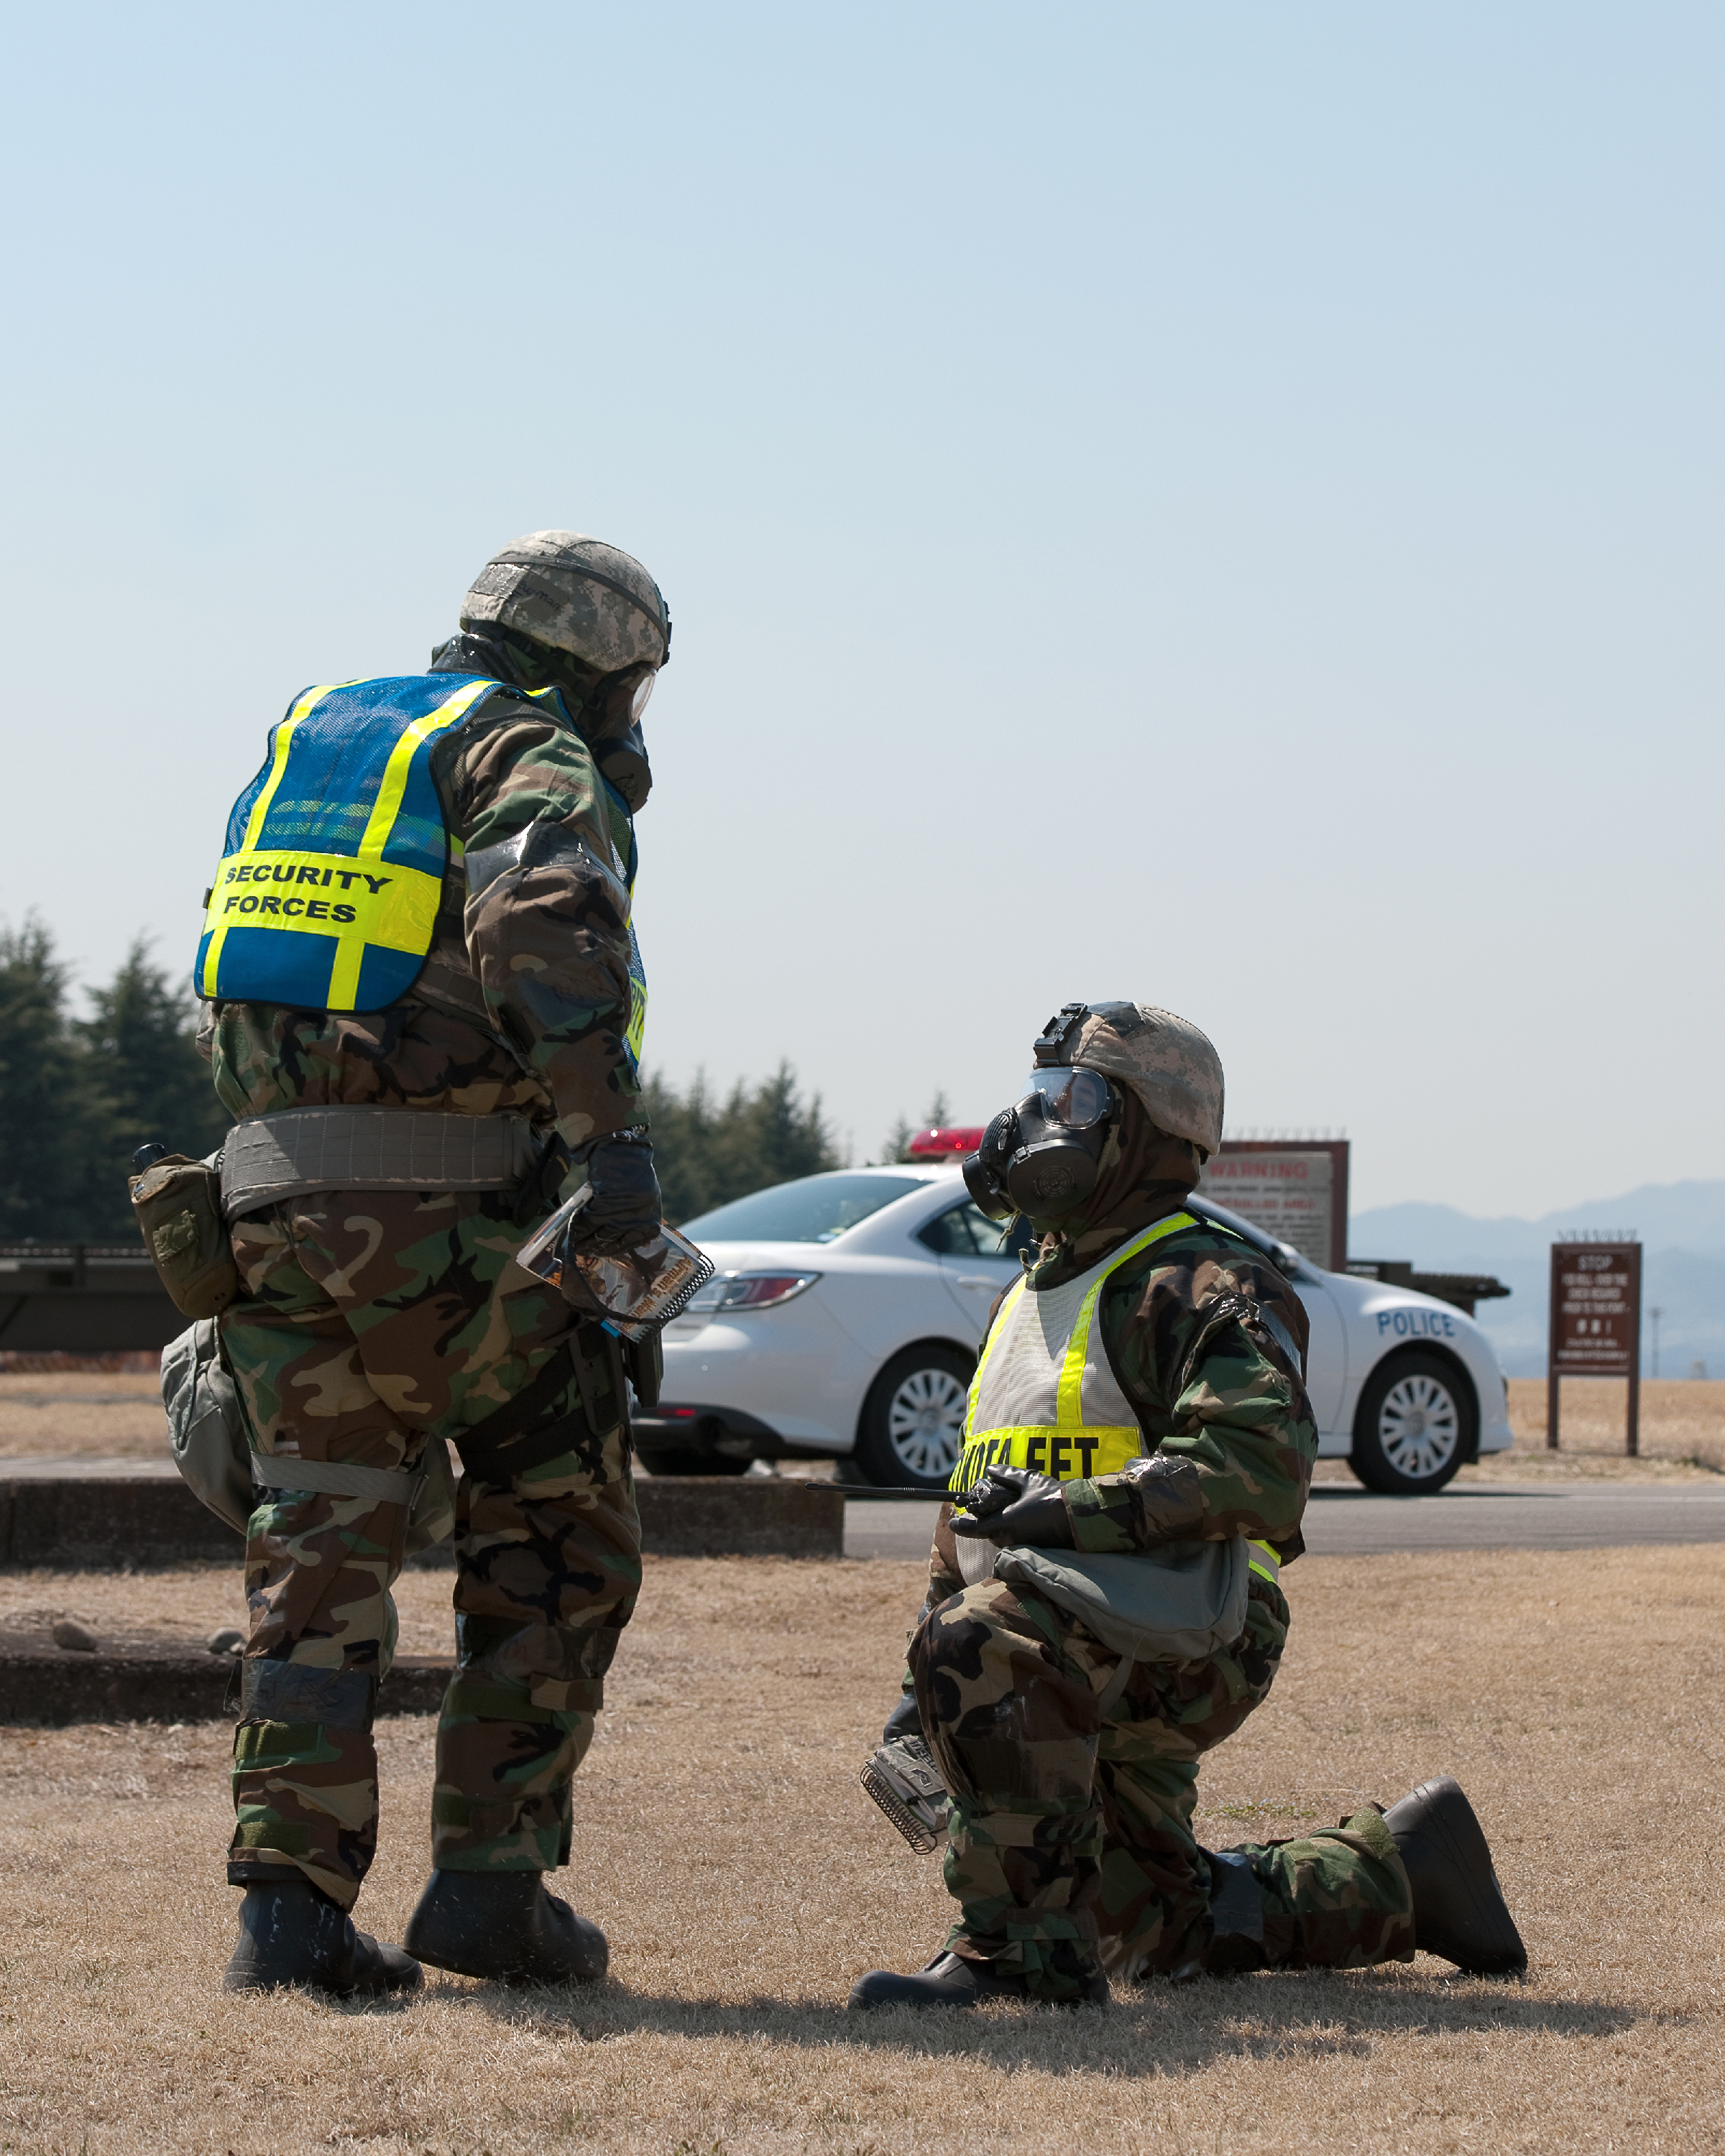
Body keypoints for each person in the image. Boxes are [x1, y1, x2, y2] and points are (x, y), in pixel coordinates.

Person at [200, 531, 672, 1996]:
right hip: (464, 1225)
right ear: (598, 663)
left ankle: (288, 1916)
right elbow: (543, 918)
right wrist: (609, 1149)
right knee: (559, 1529)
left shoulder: (325, 741)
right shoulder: (526, 746)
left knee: (317, 1546)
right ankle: (490, 1887)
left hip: (275, 1210)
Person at [850, 1000, 1525, 2007]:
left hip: (1195, 1625)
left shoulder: (1203, 1280)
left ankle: (1020, 1960)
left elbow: (1260, 1470)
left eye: (1074, 1097)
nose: (1035, 1121)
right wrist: (927, 1668)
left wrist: (1056, 1524)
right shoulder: (1028, 1294)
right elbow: (977, 1497)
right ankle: (1407, 1872)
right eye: (1039, 1095)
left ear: (1147, 1127)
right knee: (1146, 1927)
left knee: (984, 1645)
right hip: (1066, 1631)